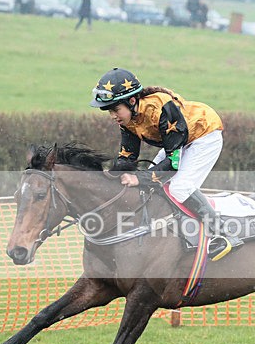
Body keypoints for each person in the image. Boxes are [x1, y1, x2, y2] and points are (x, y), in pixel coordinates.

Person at [89, 67, 241, 260]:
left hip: (205, 135)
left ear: (132, 101)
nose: (113, 116)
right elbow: (127, 158)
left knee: (180, 188)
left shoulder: (162, 109)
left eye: (116, 109)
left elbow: (172, 165)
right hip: (181, 141)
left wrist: (139, 178)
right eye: (110, 111)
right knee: (153, 182)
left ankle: (225, 235)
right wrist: (107, 176)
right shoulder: (127, 120)